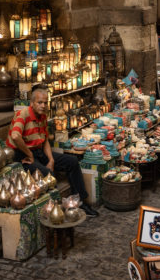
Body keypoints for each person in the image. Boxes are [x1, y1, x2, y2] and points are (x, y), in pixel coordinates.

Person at [8, 87, 98, 216]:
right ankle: (56, 211)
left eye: (45, 103)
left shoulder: (43, 116)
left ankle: (81, 202)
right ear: (32, 103)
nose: (43, 105)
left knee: (72, 161)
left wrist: (51, 160)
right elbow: (15, 136)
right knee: (48, 174)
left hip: (38, 151)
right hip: (24, 155)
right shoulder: (23, 115)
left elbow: (44, 140)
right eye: (40, 102)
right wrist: (29, 154)